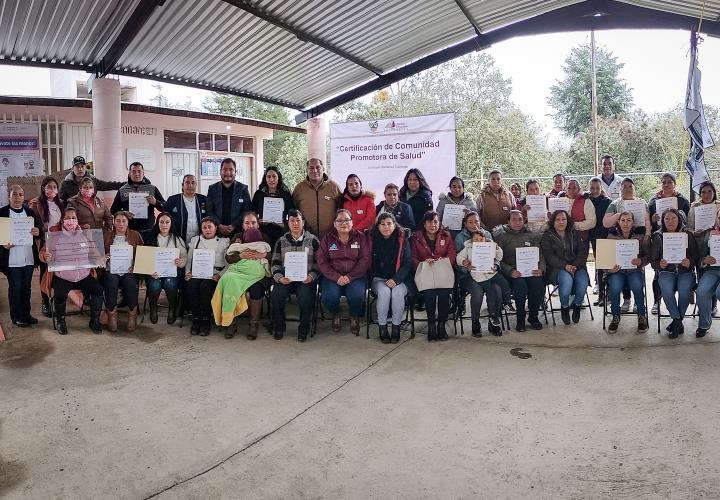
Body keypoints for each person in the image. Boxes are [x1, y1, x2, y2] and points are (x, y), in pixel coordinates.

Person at [40, 207, 105, 335]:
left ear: (77, 220)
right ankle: (61, 320)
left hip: (83, 275)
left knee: (98, 290)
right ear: (62, 220)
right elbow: (43, 252)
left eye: (73, 218)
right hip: (62, 276)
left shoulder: (85, 233)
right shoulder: (55, 235)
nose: (71, 221)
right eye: (67, 218)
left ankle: (95, 320)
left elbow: (94, 251)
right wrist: (44, 256)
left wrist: (99, 258)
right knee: (60, 294)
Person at [316, 209, 371, 335]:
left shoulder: (360, 237)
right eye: (339, 220)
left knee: (357, 296)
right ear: (334, 224)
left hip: (355, 276)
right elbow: (321, 261)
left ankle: (354, 315)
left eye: (346, 220)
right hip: (332, 277)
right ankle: (336, 313)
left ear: (352, 222)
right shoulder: (327, 238)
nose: (343, 223)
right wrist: (336, 277)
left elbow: (365, 259)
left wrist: (350, 276)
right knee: (328, 297)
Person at [270, 209, 319, 342]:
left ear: (303, 222)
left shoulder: (313, 240)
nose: (296, 223)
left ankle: (304, 328)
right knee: (276, 294)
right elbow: (274, 263)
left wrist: (312, 276)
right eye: (292, 221)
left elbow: (319, 264)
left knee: (306, 296)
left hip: (305, 280)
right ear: (288, 223)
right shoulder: (281, 241)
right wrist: (279, 277)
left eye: (298, 220)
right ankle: (279, 326)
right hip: (286, 279)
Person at [212, 227, 271, 339]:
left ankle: (254, 324)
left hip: (256, 275)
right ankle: (230, 323)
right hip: (238, 271)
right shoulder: (238, 241)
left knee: (257, 289)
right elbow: (228, 257)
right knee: (227, 279)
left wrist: (264, 255)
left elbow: (274, 255)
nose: (250, 225)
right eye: (247, 222)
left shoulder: (264, 242)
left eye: (253, 222)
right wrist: (240, 256)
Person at [494, 210, 546, 331]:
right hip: (513, 273)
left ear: (524, 221)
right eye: (514, 219)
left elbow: (540, 255)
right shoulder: (501, 237)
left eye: (520, 219)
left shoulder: (531, 235)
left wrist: (541, 269)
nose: (517, 222)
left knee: (538, 285)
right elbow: (497, 259)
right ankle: (520, 319)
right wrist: (510, 271)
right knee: (520, 286)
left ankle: (533, 317)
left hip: (531, 270)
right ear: (508, 221)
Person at [650, 208, 698, 338]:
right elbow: (653, 261)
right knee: (666, 289)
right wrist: (659, 264)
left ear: (679, 219)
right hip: (667, 271)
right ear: (663, 221)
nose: (670, 221)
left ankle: (676, 322)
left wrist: (690, 262)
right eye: (667, 219)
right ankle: (678, 321)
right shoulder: (658, 236)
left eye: (673, 218)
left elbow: (696, 257)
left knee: (684, 290)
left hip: (685, 271)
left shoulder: (688, 234)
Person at [648, 173, 691, 315]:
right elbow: (647, 220)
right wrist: (653, 219)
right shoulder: (654, 200)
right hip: (661, 239)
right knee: (658, 273)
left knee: (682, 279)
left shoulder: (682, 200)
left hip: (679, 239)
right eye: (663, 182)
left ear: (674, 184)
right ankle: (656, 301)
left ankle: (677, 319)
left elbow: (687, 219)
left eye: (669, 182)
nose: (666, 185)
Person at [411, 211, 456, 341]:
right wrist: (423, 263)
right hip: (425, 273)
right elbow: (412, 257)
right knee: (429, 294)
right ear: (424, 224)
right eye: (430, 222)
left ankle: (441, 324)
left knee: (444, 294)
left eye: (436, 221)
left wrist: (441, 261)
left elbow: (452, 253)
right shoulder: (416, 237)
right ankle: (431, 324)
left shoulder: (446, 236)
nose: (433, 224)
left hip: (443, 272)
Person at [0, 185, 42, 327]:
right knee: (15, 287)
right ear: (9, 196)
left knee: (26, 287)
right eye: (15, 194)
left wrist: (38, 232)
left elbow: (40, 230)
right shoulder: (2, 213)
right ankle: (16, 316)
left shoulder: (29, 212)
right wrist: (2, 245)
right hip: (12, 258)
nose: (18, 197)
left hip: (28, 257)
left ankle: (26, 314)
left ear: (24, 197)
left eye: (21, 194)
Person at [540, 210, 590, 325]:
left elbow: (582, 251)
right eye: (558, 220)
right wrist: (565, 266)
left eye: (564, 219)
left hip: (576, 266)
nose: (561, 222)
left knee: (583, 282)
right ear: (553, 222)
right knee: (566, 281)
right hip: (558, 268)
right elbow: (549, 257)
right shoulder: (547, 236)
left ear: (568, 221)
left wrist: (575, 266)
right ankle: (565, 308)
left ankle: (577, 306)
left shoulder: (574, 232)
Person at [456, 230, 510, 336]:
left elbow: (498, 257)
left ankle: (495, 319)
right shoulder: (468, 247)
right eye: (476, 239)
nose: (479, 241)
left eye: (481, 239)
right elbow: (458, 257)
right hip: (477, 276)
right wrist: (464, 262)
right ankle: (476, 322)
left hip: (490, 274)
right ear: (471, 240)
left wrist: (496, 251)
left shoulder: (489, 245)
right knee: (482, 293)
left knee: (499, 289)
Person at [370, 213, 412, 343]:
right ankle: (382, 327)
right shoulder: (372, 239)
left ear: (394, 225)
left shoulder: (402, 239)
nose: (386, 227)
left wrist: (396, 279)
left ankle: (396, 326)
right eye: (382, 224)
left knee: (398, 292)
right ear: (378, 226)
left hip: (400, 279)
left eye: (389, 223)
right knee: (384, 292)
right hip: (379, 279)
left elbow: (407, 263)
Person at [606, 211, 650, 333]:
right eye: (623, 220)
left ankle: (641, 316)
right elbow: (605, 257)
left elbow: (647, 255)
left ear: (633, 222)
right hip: (617, 270)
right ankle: (615, 316)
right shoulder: (611, 235)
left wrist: (641, 261)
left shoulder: (640, 235)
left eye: (628, 220)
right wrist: (609, 269)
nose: (626, 223)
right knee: (614, 287)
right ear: (618, 222)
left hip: (634, 270)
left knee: (637, 285)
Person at [185, 217, 229, 336]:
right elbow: (189, 260)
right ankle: (196, 319)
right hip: (197, 273)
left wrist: (220, 275)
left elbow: (228, 264)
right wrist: (187, 272)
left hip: (214, 275)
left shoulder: (224, 241)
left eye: (210, 227)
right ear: (201, 229)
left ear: (216, 228)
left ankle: (206, 320)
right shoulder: (195, 240)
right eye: (204, 227)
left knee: (205, 287)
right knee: (192, 286)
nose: (207, 230)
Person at [29, 176, 64, 317]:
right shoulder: (36, 204)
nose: (52, 190)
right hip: (45, 242)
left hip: (60, 242)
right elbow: (32, 225)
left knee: (57, 273)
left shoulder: (60, 203)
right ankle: (45, 301)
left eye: (55, 187)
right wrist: (41, 232)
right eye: (49, 187)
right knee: (45, 272)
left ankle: (57, 300)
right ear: (43, 188)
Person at [143, 212, 187, 325]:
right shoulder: (150, 239)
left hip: (171, 273)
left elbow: (185, 257)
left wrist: (180, 262)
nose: (164, 225)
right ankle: (153, 308)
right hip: (154, 273)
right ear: (157, 223)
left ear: (171, 224)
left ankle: (172, 309)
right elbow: (144, 259)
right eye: (161, 222)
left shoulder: (177, 239)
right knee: (154, 284)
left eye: (167, 222)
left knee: (170, 283)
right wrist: (149, 271)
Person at [102, 211, 143, 332]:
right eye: (118, 221)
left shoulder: (135, 235)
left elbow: (142, 254)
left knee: (130, 283)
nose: (121, 224)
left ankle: (132, 315)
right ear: (114, 222)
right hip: (111, 269)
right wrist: (105, 256)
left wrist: (136, 265)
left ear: (128, 222)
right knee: (111, 281)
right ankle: (112, 315)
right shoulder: (107, 235)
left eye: (124, 221)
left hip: (129, 270)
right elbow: (98, 254)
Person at [292, 158, 342, 237]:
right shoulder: (299, 189)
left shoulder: (334, 187)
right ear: (306, 170)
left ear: (323, 169)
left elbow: (342, 209)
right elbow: (293, 211)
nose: (315, 170)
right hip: (306, 238)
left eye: (318, 167)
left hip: (331, 237)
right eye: (311, 168)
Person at [110, 162, 165, 235]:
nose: (137, 174)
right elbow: (113, 210)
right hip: (129, 230)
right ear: (129, 173)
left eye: (139, 171)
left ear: (143, 173)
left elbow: (165, 207)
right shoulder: (122, 190)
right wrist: (123, 213)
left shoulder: (152, 188)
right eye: (133, 171)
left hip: (148, 229)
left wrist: (156, 202)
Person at [206, 158, 253, 238]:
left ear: (235, 172)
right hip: (217, 232)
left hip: (238, 233)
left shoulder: (243, 189)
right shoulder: (212, 189)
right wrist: (219, 225)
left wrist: (233, 226)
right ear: (220, 172)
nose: (228, 172)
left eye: (231, 169)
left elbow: (247, 211)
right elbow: (209, 210)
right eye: (225, 169)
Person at [251, 166, 295, 246]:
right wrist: (257, 221)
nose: (271, 179)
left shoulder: (285, 194)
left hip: (281, 232)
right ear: (265, 178)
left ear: (278, 178)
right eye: (268, 176)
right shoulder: (259, 194)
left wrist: (284, 224)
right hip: (262, 232)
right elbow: (252, 212)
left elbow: (292, 213)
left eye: (274, 176)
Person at [163, 174, 208, 245]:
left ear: (196, 185)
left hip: (200, 240)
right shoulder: (173, 200)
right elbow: (165, 216)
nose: (190, 185)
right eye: (187, 182)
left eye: (193, 183)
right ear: (182, 185)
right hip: (178, 239)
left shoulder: (203, 199)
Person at [696, 210, 720, 338]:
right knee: (702, 291)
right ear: (716, 219)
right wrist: (704, 259)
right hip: (712, 269)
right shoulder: (710, 234)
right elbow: (700, 255)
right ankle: (704, 324)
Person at [588, 177, 612, 304]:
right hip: (592, 236)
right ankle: (601, 295)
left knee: (605, 266)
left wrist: (600, 233)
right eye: (592, 188)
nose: (594, 190)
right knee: (599, 266)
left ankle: (607, 296)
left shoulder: (607, 201)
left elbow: (608, 221)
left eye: (597, 188)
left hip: (604, 236)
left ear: (601, 188)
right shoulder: (587, 199)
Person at [60, 155, 124, 201]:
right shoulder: (66, 183)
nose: (80, 169)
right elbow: (61, 200)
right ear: (72, 168)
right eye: (77, 167)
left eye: (82, 166)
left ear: (85, 167)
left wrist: (127, 184)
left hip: (90, 213)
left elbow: (108, 185)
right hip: (74, 214)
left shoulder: (93, 181)